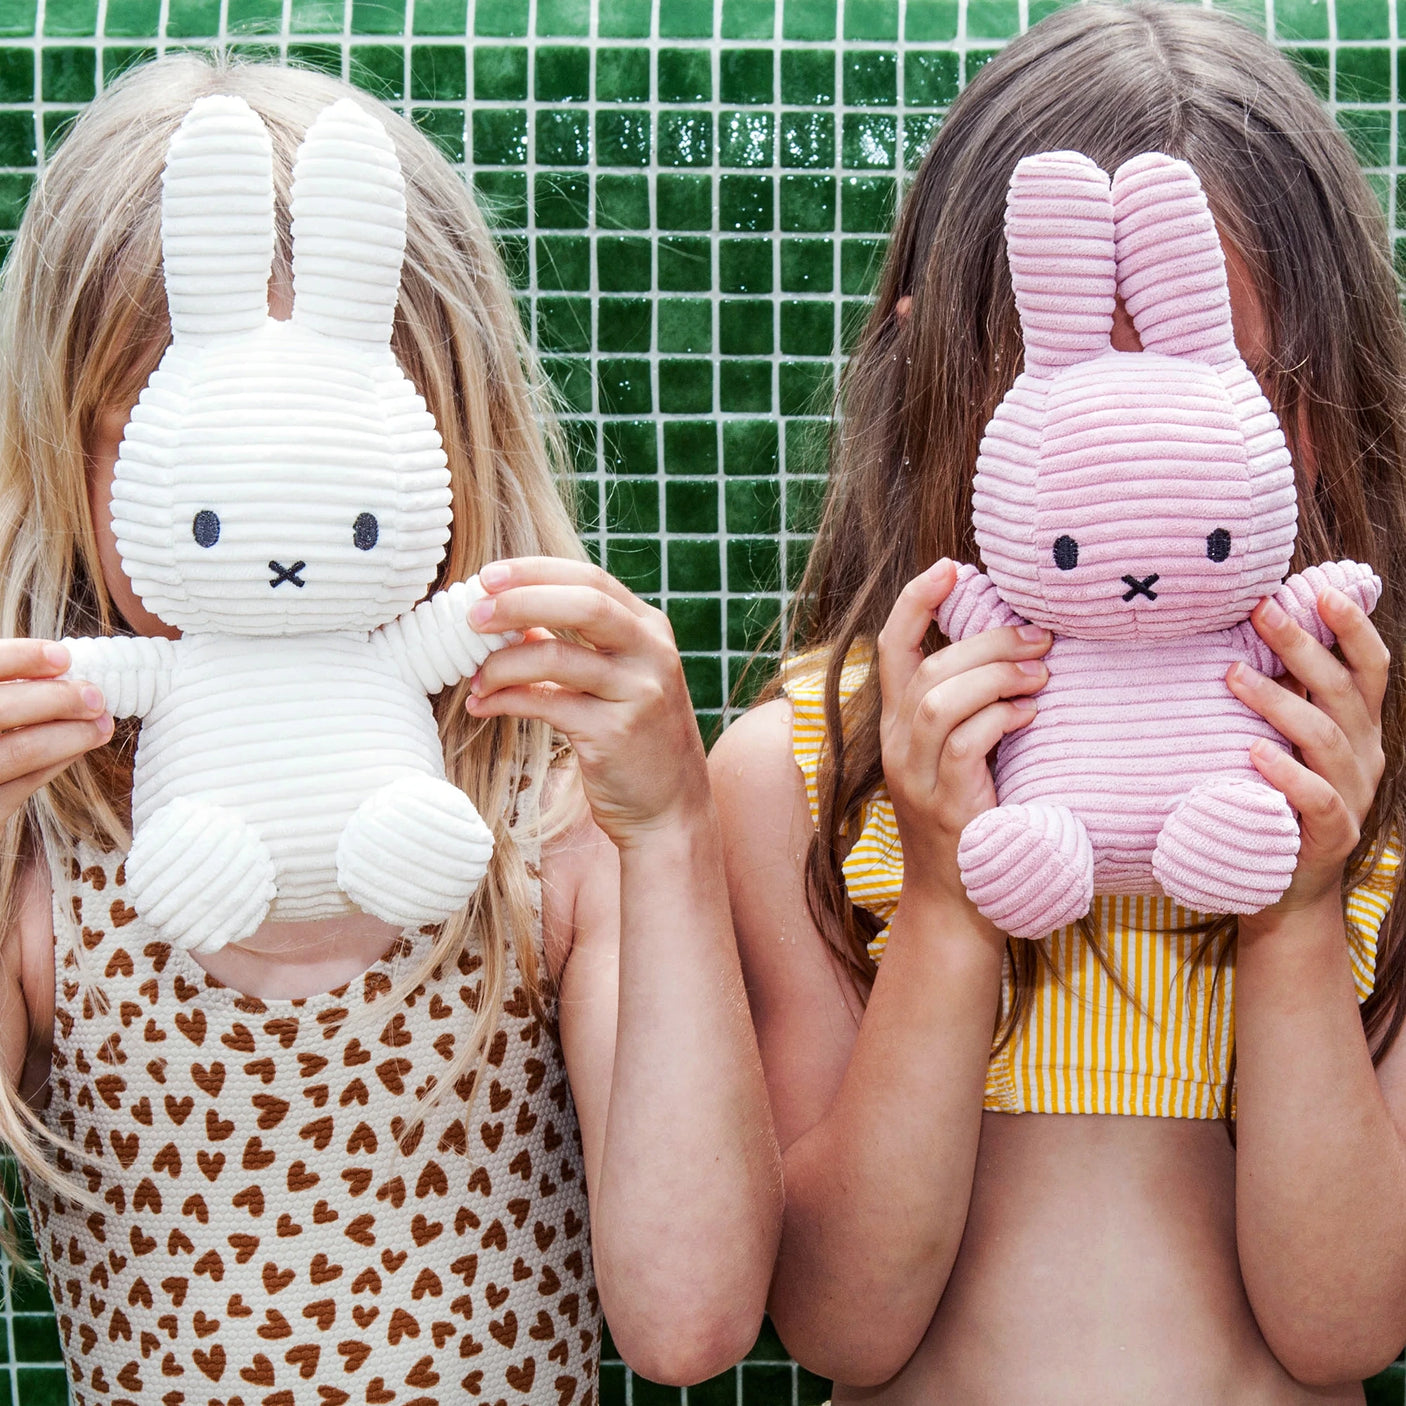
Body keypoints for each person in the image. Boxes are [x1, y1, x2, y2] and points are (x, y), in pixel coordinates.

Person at [0, 54, 781, 1403]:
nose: (276, 528)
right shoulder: (47, 837)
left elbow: (689, 1321)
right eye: (192, 448)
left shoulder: (553, 811)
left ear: (446, 431)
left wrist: (669, 835)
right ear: (76, 446)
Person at [710, 3, 1406, 1400]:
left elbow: (1343, 1323)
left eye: (1211, 382)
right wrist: (949, 896)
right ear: (936, 375)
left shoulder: (1380, 771)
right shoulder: (797, 767)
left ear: (1315, 411)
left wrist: (1289, 900)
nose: (1133, 453)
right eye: (1084, 373)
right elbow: (843, 1324)